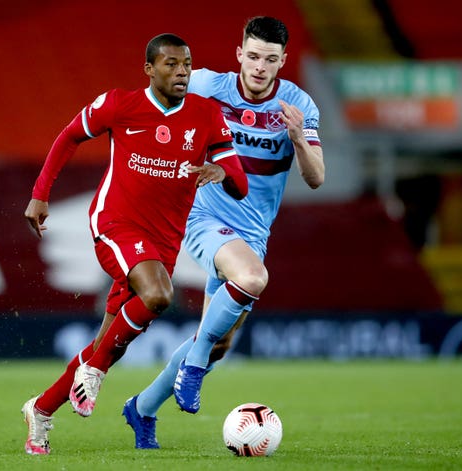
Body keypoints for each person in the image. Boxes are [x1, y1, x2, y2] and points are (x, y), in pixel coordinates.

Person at [20, 33, 248, 455]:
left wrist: (222, 174)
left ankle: (42, 409)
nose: (182, 72)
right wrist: (40, 193)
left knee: (108, 343)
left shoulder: (207, 114)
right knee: (159, 294)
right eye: (171, 64)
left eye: (187, 64)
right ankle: (94, 371)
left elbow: (241, 183)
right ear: (149, 69)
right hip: (115, 224)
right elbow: (69, 135)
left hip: (164, 240)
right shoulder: (119, 105)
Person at [121, 16, 325, 449]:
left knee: (218, 342)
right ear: (239, 55)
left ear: (282, 61)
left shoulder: (298, 105)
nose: (259, 67)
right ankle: (192, 369)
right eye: (252, 56)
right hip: (202, 217)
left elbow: (316, 178)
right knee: (252, 279)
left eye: (270, 60)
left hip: (253, 233)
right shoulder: (206, 85)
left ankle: (141, 408)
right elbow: (150, 103)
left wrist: (299, 140)